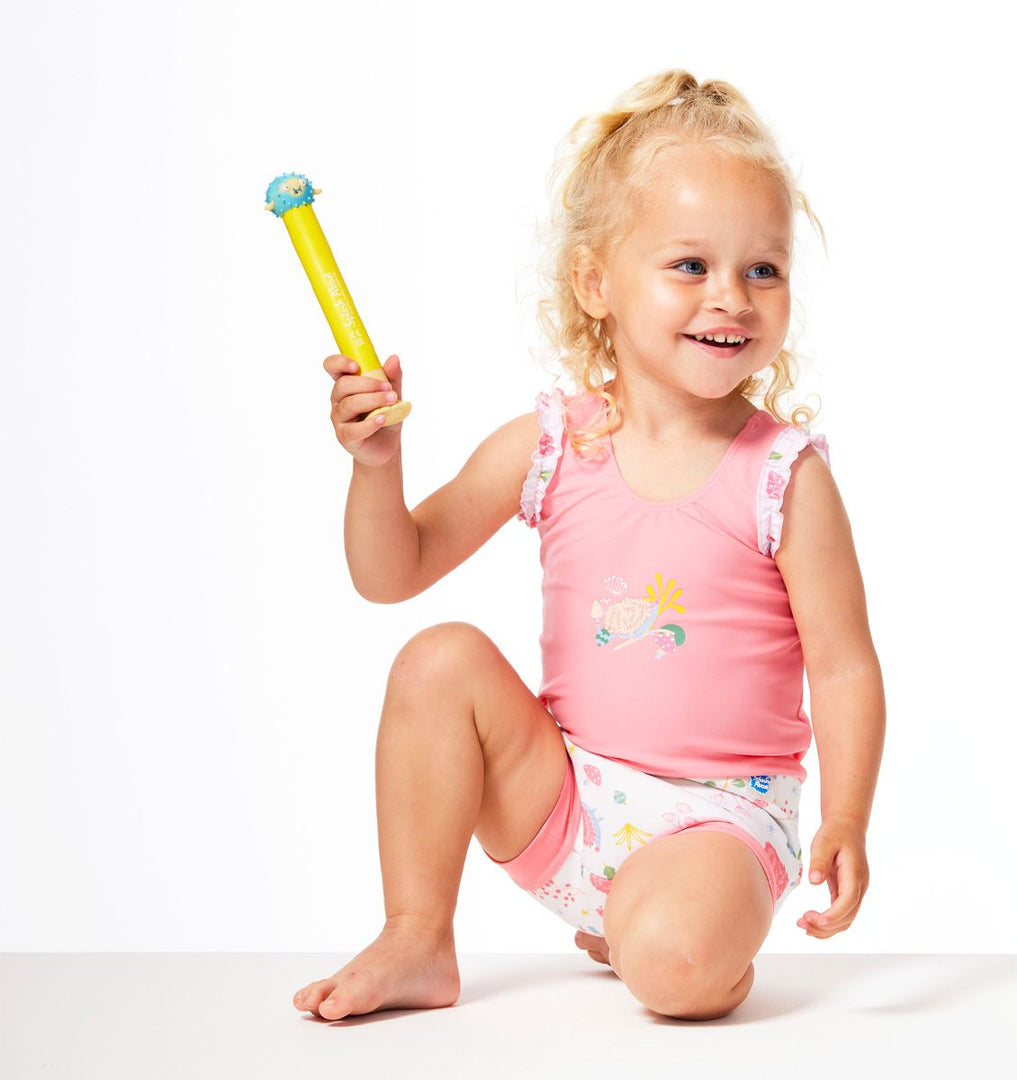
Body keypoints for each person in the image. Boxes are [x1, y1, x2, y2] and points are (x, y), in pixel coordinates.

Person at [292, 69, 885, 1023]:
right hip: (567, 799)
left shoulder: (784, 474)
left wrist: (847, 815)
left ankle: (670, 928)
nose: (730, 297)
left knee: (678, 971)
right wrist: (375, 466)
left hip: (721, 818)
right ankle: (415, 934)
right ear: (595, 282)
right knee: (437, 662)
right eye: (690, 266)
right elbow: (391, 571)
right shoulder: (554, 444)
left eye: (761, 269)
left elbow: (845, 664)